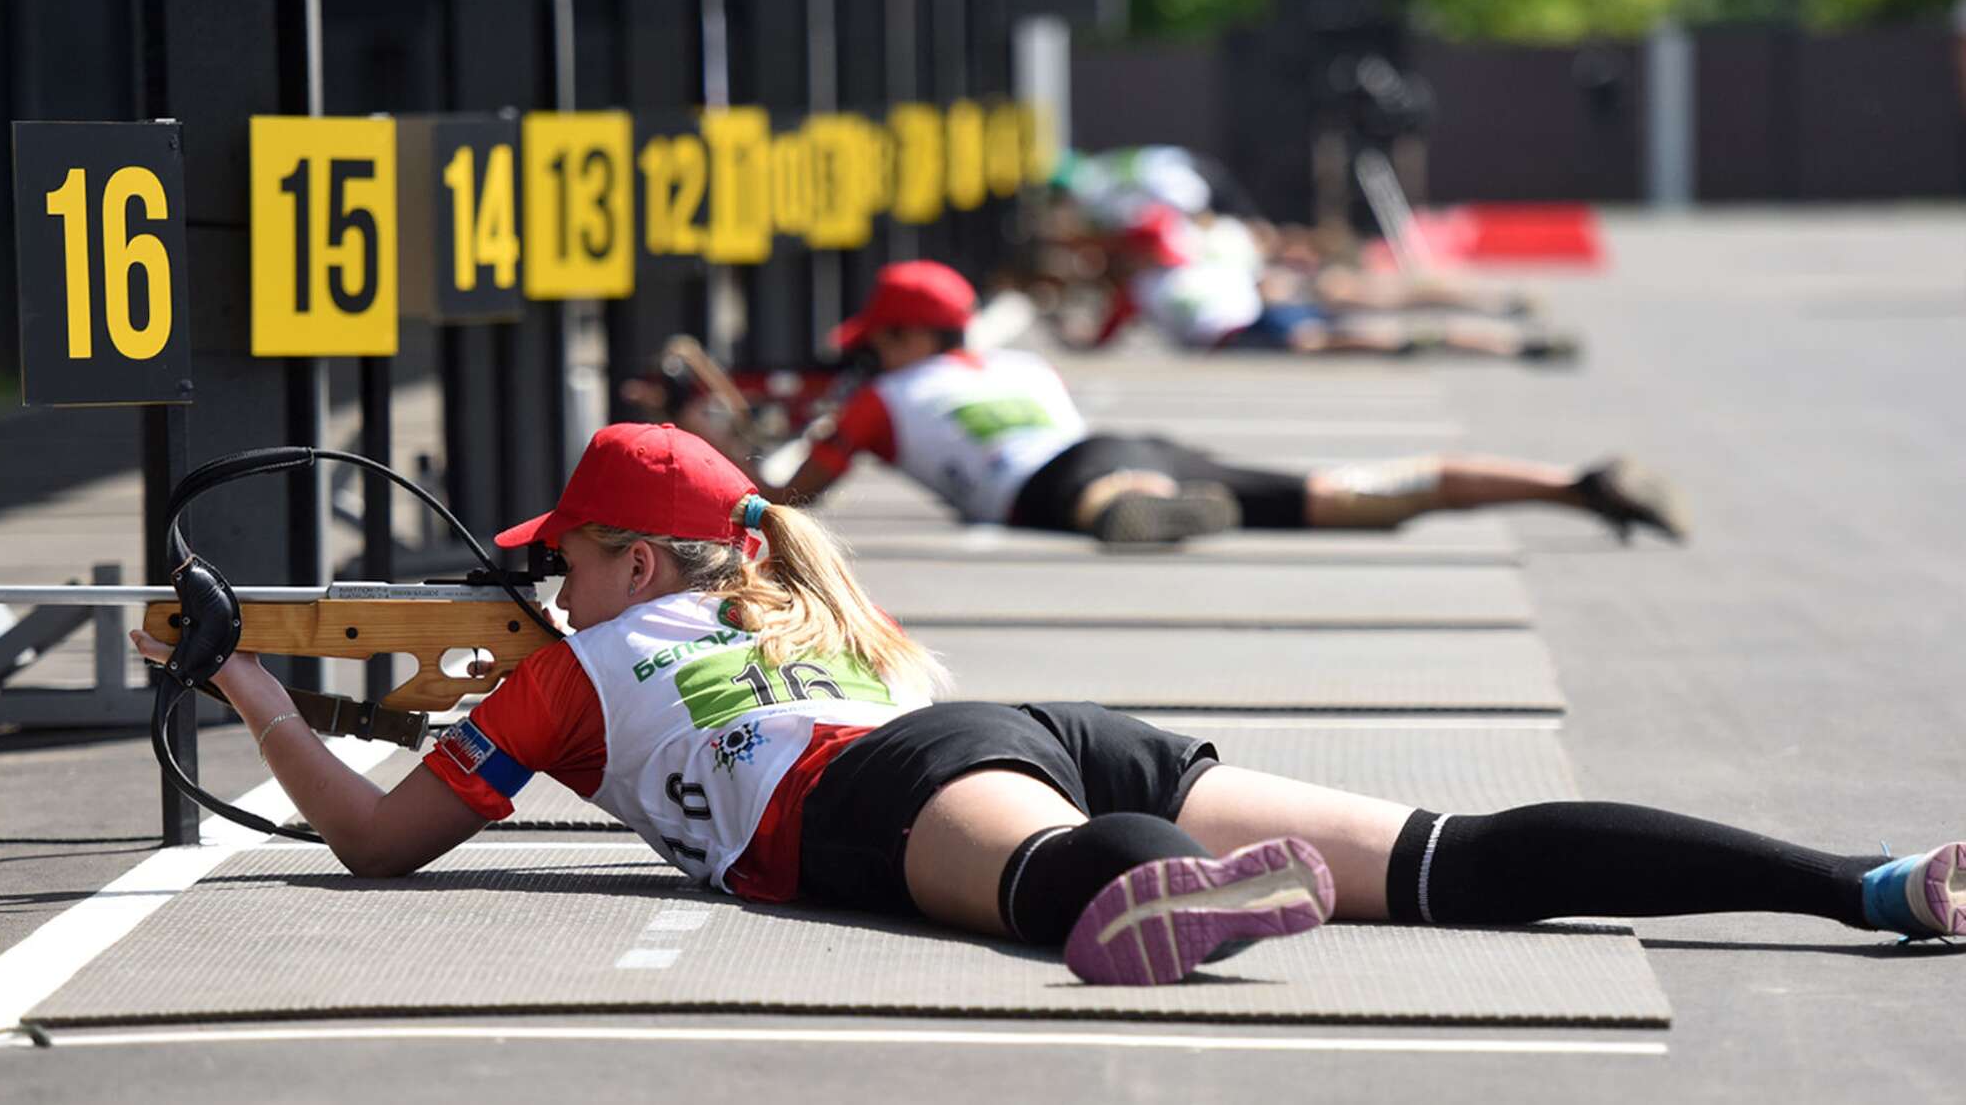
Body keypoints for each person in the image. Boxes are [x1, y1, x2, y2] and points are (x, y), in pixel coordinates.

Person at [130, 422, 1963, 988]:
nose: (543, 578)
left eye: (563, 555)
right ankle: (1867, 881)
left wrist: (249, 688)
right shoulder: (805, 578)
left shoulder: (566, 671)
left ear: (615, 557)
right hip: (1024, 717)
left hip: (867, 789)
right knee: (1452, 853)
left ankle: (1159, 885)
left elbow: (373, 843)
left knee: (1069, 896)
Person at [734, 259, 1680, 545]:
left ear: (901, 340)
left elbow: (802, 496)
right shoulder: (1013, 368)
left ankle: (1140, 513)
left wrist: (756, 457)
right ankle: (1574, 484)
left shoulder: (882, 401)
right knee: (1339, 493)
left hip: (1057, 481)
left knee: (1100, 509)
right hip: (1115, 436)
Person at [1095, 207, 1577, 360]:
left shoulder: (1187, 248)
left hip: (1265, 302)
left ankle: (1498, 304)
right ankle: (1510, 345)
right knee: (1368, 333)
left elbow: (1255, 252)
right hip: (1241, 332)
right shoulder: (1134, 295)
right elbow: (1096, 338)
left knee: (1379, 296)